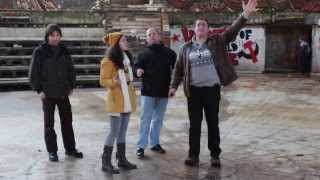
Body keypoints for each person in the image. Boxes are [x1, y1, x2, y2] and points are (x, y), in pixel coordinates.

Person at [169, 0, 258, 167]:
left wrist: (245, 15)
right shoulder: (185, 48)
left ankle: (215, 155)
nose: (201, 27)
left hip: (212, 90)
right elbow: (178, 70)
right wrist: (173, 87)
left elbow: (232, 31)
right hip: (193, 92)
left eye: (204, 25)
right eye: (198, 25)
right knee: (194, 125)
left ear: (208, 30)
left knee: (212, 123)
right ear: (194, 29)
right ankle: (193, 155)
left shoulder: (216, 41)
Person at [29, 24, 83, 162]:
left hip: (63, 92)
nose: (55, 38)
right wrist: (39, 90)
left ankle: (70, 149)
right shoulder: (40, 52)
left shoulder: (64, 50)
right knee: (49, 124)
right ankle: (52, 151)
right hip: (47, 94)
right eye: (52, 35)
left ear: (60, 36)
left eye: (57, 35)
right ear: (47, 36)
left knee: (67, 122)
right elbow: (34, 73)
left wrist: (71, 85)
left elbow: (71, 69)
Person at [99, 32, 137, 174]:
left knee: (123, 131)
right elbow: (103, 80)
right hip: (116, 100)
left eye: (126, 40)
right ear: (116, 44)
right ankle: (105, 161)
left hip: (127, 100)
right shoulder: (108, 61)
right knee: (114, 131)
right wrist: (114, 82)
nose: (126, 42)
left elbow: (128, 79)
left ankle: (121, 159)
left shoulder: (126, 58)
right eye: (123, 41)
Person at [135, 28, 177, 157]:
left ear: (159, 36)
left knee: (158, 120)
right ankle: (141, 146)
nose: (152, 36)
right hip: (148, 92)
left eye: (154, 33)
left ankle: (154, 143)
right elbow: (136, 67)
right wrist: (137, 71)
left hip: (164, 91)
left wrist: (173, 87)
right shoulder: (142, 54)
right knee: (145, 120)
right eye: (149, 34)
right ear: (147, 38)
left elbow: (176, 71)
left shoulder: (170, 53)